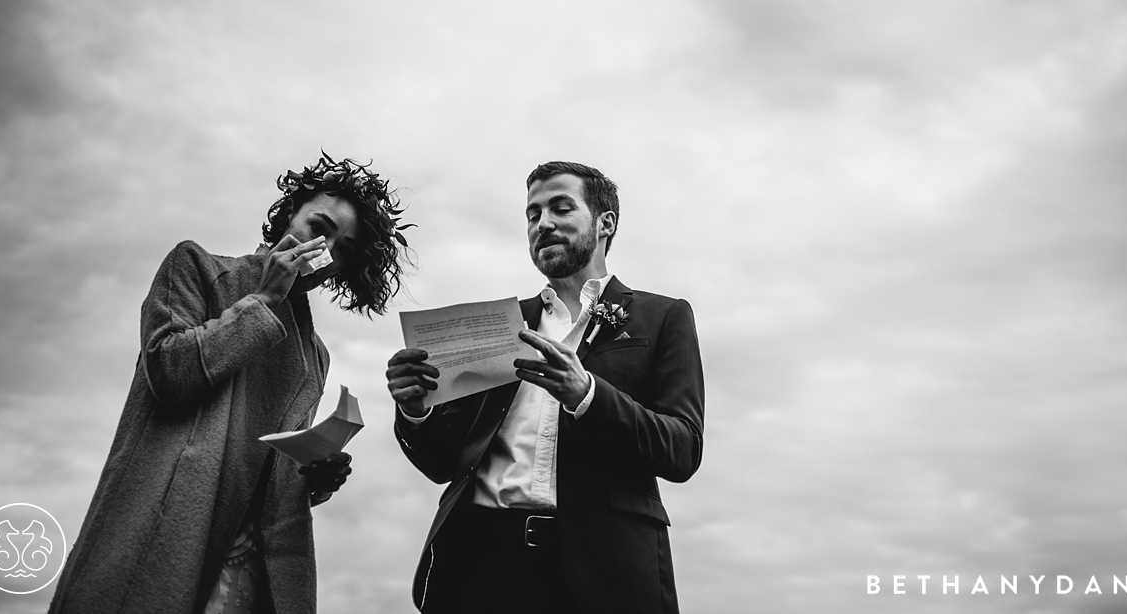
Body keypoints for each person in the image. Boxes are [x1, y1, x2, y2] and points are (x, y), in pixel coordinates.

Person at [50, 154, 411, 614]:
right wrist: (265, 298)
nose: (324, 248)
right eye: (318, 226)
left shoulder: (315, 354)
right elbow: (169, 373)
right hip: (169, 539)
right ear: (287, 216)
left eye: (342, 247)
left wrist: (314, 478)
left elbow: (270, 467)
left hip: (254, 575)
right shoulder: (196, 267)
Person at [387, 161, 704, 614]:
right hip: (478, 564)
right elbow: (443, 462)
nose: (544, 223)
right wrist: (417, 410)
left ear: (605, 223)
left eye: (560, 208)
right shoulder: (500, 324)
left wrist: (588, 395)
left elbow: (682, 449)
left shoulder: (664, 317)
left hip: (603, 573)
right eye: (533, 215)